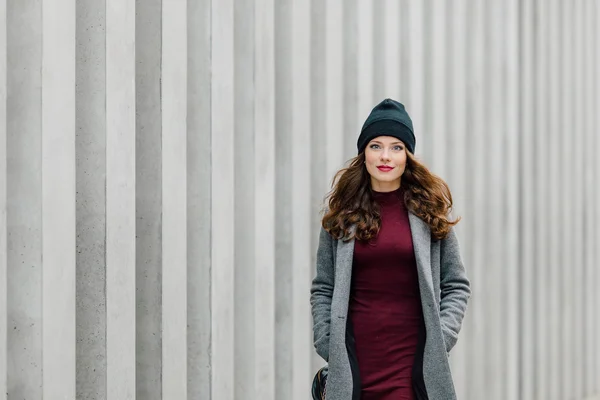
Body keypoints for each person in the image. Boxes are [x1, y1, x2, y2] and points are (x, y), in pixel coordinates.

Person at [310, 99, 471, 400]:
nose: (386, 156)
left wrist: (441, 338)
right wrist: (327, 341)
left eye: (396, 147)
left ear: (408, 155)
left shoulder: (429, 212)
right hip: (354, 366)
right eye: (376, 146)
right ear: (364, 154)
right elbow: (323, 287)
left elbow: (456, 285)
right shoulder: (341, 216)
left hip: (412, 367)